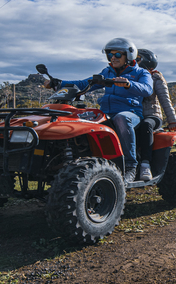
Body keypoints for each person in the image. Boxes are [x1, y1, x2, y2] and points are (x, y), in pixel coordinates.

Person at [50, 38, 153, 182]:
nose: (113, 58)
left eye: (117, 55)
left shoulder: (141, 73)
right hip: (106, 112)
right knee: (81, 118)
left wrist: (129, 84)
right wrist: (60, 83)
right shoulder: (108, 72)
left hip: (131, 113)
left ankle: (130, 166)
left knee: (121, 118)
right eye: (110, 55)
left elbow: (147, 89)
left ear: (129, 56)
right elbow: (85, 83)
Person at [134, 48, 176, 182]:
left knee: (146, 125)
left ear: (147, 61)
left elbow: (165, 99)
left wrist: (172, 120)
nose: (134, 61)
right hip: (135, 115)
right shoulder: (132, 75)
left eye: (137, 59)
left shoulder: (156, 77)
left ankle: (145, 165)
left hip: (152, 115)